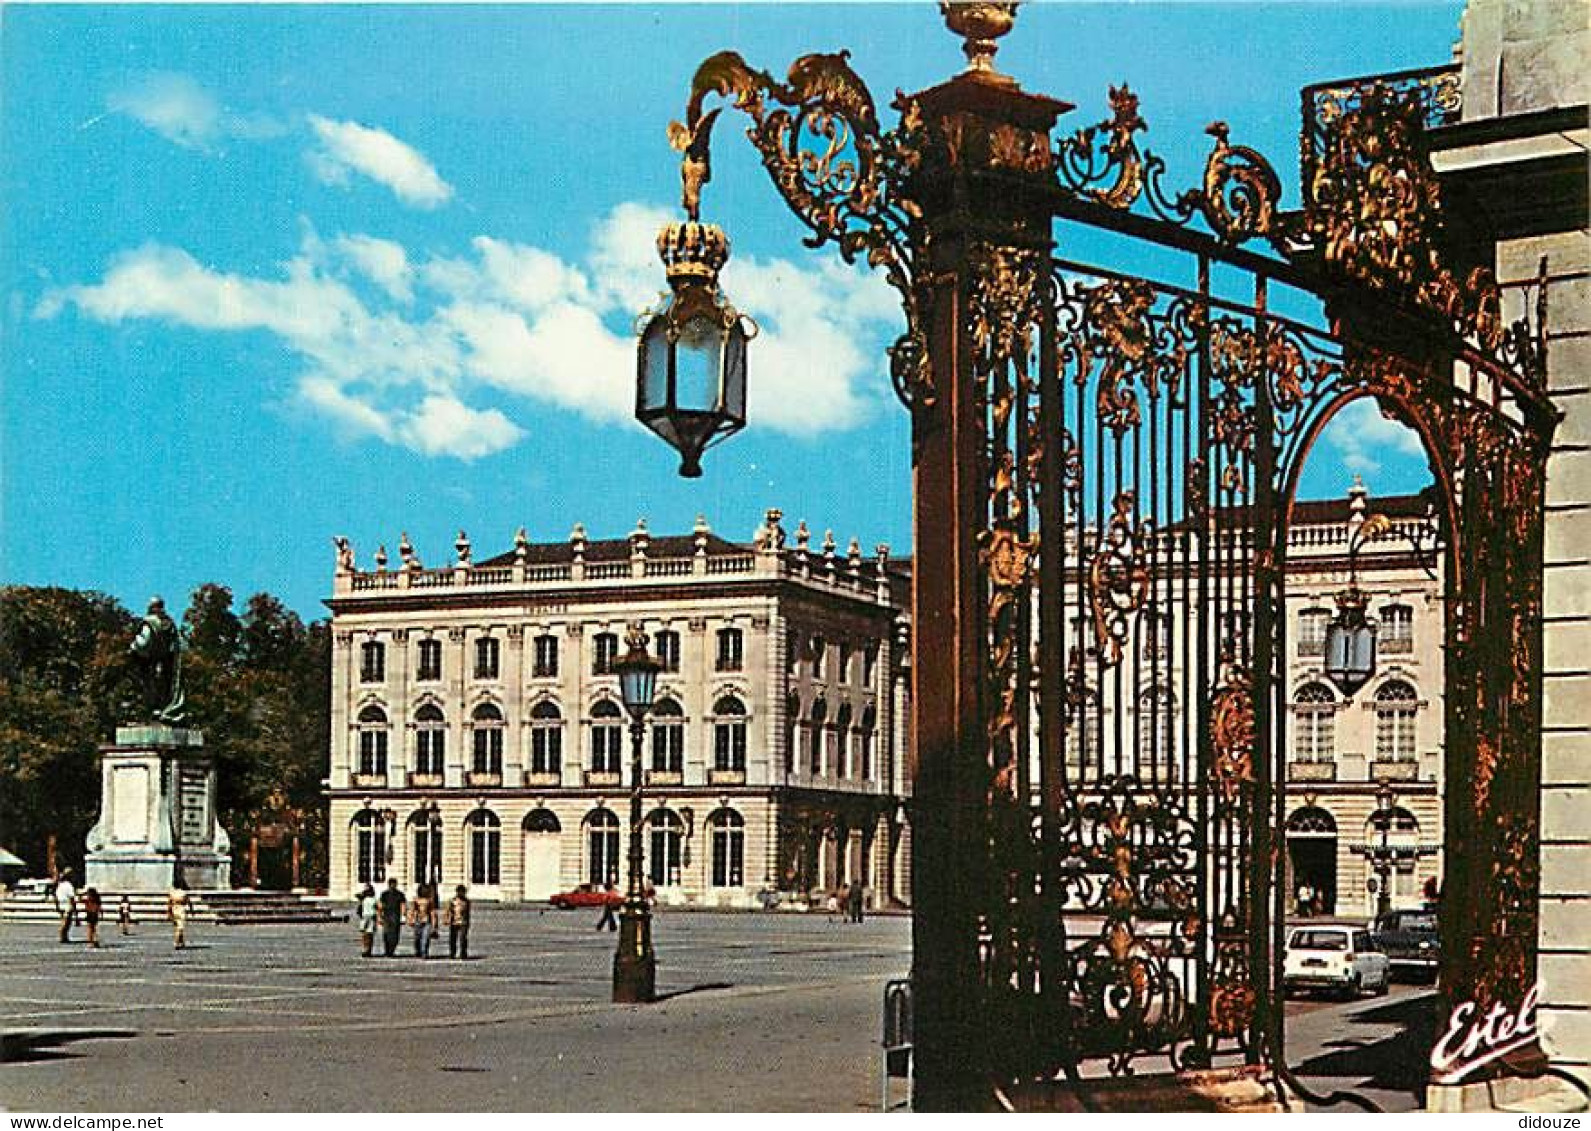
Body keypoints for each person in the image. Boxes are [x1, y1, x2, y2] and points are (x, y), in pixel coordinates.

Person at [377, 878, 406, 958]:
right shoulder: (384, 894)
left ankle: (391, 951)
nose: (393, 886)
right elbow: (380, 906)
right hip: (387, 916)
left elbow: (402, 905)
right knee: (386, 934)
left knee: (394, 935)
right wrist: (379, 917)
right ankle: (388, 951)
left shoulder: (399, 894)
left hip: (395, 916)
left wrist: (403, 916)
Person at [410, 882, 437, 958]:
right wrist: (411, 919)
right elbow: (413, 910)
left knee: (425, 938)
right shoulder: (416, 900)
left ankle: (424, 952)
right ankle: (418, 951)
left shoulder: (430, 901)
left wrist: (434, 925)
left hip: (427, 922)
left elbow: (432, 912)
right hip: (418, 921)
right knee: (417, 938)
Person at [446, 885, 472, 959]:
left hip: (463, 922)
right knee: (453, 938)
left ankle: (463, 952)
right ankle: (452, 952)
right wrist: (447, 918)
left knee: (463, 938)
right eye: (460, 892)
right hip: (454, 922)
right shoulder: (452, 900)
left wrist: (468, 922)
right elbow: (449, 910)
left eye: (463, 892)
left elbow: (467, 913)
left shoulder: (466, 901)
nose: (461, 894)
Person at [53, 869, 76, 944]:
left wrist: (57, 906)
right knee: (66, 922)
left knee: (65, 921)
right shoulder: (68, 885)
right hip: (67, 905)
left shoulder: (60, 885)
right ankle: (62, 936)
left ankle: (64, 936)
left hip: (61, 904)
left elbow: (55, 896)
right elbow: (71, 898)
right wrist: (73, 907)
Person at [167, 881, 192, 949]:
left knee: (177, 927)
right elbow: (189, 901)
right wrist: (191, 910)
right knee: (180, 927)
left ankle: (181, 942)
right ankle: (176, 942)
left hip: (174, 909)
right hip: (181, 910)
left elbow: (169, 903)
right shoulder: (183, 893)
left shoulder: (172, 893)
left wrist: (169, 912)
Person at [356, 885, 378, 958]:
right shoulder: (366, 899)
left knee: (367, 935)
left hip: (368, 917)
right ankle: (366, 949)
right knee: (367, 935)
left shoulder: (370, 899)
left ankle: (366, 949)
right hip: (368, 917)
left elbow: (378, 907)